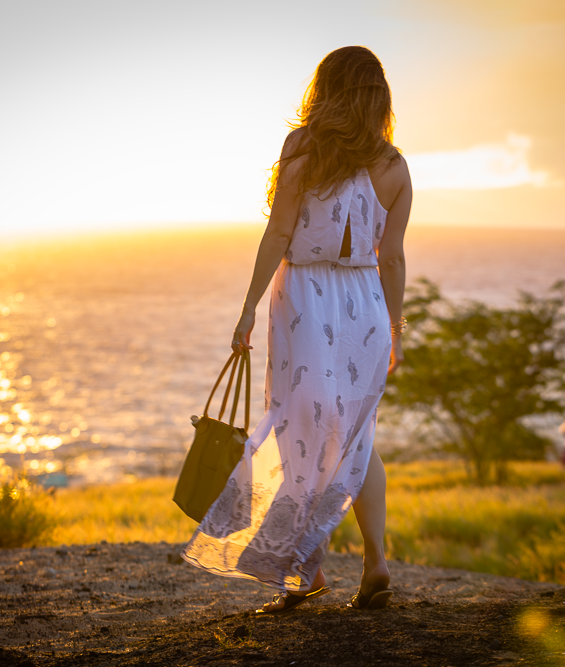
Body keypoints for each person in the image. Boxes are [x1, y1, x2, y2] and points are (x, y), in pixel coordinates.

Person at [181, 46, 412, 614]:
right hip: (367, 306)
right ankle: (372, 563)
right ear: (378, 97)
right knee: (356, 436)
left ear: (326, 90)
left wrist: (247, 308)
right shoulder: (395, 165)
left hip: (305, 298)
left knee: (299, 428)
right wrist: (398, 330)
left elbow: (278, 235)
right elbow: (394, 260)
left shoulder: (303, 147)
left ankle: (303, 572)